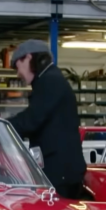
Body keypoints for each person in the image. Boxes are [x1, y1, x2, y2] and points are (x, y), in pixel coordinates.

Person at [6, 39, 86, 199]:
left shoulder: (50, 81)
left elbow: (31, 120)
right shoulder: (49, 79)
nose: (18, 73)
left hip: (60, 171)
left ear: (28, 58)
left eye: (17, 66)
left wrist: (2, 128)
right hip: (60, 168)